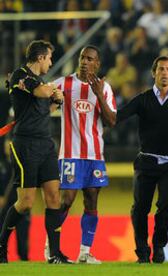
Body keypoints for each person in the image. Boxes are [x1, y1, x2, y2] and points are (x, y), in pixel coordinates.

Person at [117, 56, 168, 264]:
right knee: (141, 208)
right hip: (147, 163)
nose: (165, 73)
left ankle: (158, 246)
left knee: (166, 205)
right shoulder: (142, 99)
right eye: (161, 69)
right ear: (154, 73)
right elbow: (117, 116)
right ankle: (142, 250)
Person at [0, 40, 70, 264]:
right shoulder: (20, 76)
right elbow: (41, 92)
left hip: (46, 144)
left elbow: (43, 109)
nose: (51, 62)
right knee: (26, 202)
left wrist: (56, 102)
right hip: (25, 144)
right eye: (49, 58)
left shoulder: (38, 82)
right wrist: (54, 91)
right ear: (40, 57)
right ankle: (1, 245)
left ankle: (55, 254)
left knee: (53, 197)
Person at [49, 45, 116, 264]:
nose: (85, 62)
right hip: (70, 153)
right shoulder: (63, 83)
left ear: (98, 64)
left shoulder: (104, 89)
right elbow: (42, 96)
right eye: (82, 57)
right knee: (66, 200)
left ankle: (85, 253)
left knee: (92, 200)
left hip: (95, 155)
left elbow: (112, 121)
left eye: (90, 59)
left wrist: (99, 95)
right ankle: (51, 247)